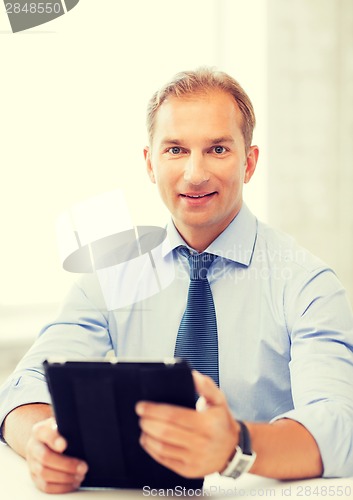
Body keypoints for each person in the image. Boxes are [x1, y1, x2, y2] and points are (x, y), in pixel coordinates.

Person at [1, 67, 353, 494]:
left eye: (218, 149)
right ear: (150, 164)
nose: (194, 173)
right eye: (175, 150)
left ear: (250, 161)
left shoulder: (306, 283)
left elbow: (341, 426)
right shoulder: (113, 273)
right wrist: (41, 440)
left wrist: (233, 445)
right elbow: (21, 389)